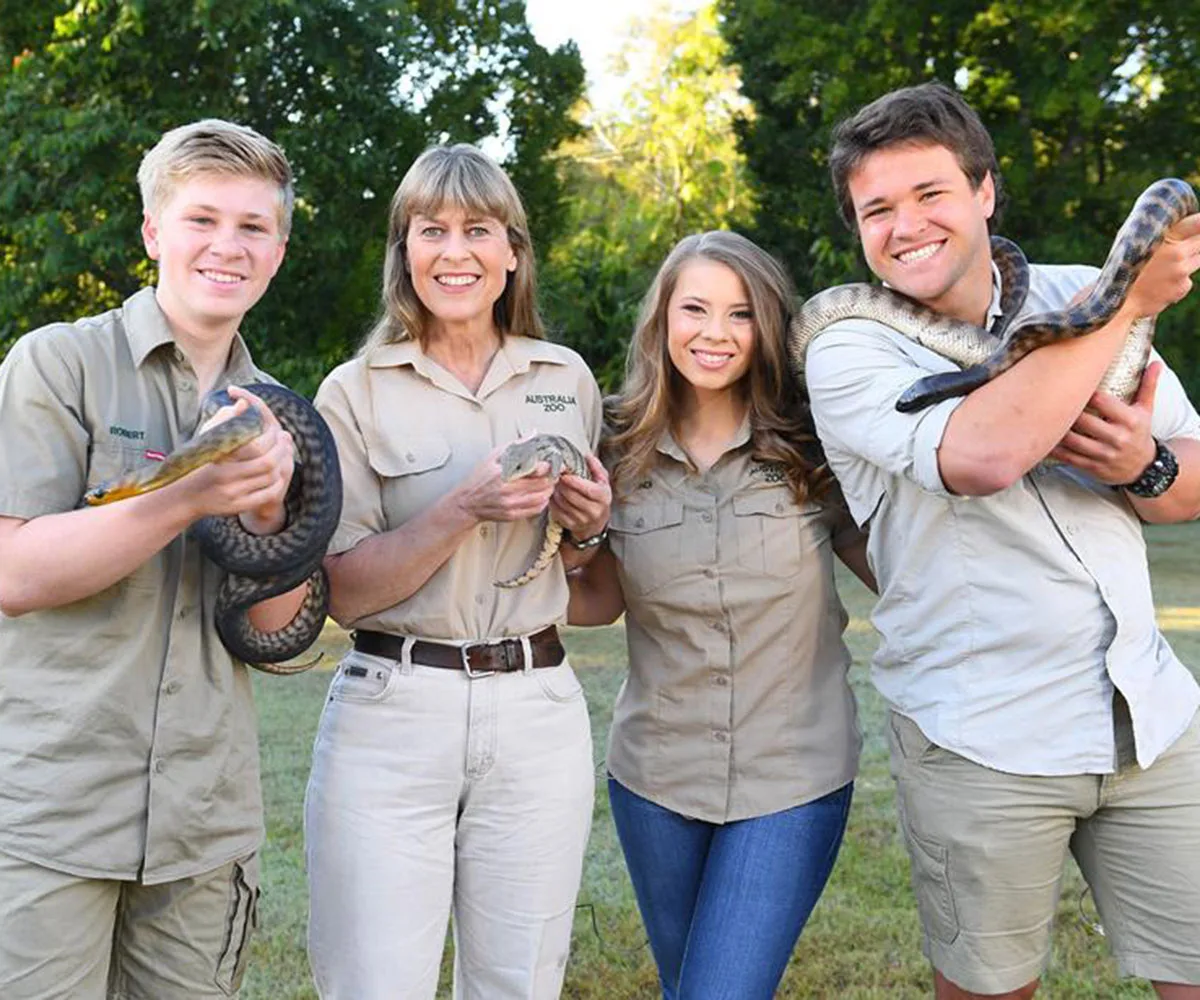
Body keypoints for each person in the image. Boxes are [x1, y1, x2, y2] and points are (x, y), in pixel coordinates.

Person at [804, 80, 1200, 1000]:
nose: (905, 226)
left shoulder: (1080, 291)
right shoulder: (847, 341)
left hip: (1148, 716)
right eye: (877, 209)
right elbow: (983, 455)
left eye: (930, 194)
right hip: (982, 735)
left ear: (984, 191)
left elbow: (1190, 483)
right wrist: (1121, 307)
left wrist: (1142, 461)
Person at [0, 119, 306, 998]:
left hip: (203, 827)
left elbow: (274, 632)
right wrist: (190, 494)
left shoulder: (282, 411)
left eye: (253, 227)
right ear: (153, 234)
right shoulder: (58, 364)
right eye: (202, 219)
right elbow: (17, 574)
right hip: (53, 817)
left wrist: (271, 511)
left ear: (278, 251)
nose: (227, 245)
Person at [304, 143, 612, 1000]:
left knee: (520, 983)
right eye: (430, 229)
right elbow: (342, 593)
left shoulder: (566, 380)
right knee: (376, 983)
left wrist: (587, 530)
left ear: (512, 251)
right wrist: (460, 510)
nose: (455, 251)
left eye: (478, 229)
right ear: (404, 251)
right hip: (392, 713)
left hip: (538, 711)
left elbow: (582, 569)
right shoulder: (354, 392)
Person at [567, 230, 874, 999]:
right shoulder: (613, 444)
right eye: (694, 309)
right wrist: (574, 539)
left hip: (793, 777)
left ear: (766, 326)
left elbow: (906, 572)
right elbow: (598, 603)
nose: (713, 333)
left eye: (739, 315)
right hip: (655, 780)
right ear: (662, 320)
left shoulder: (814, 444)